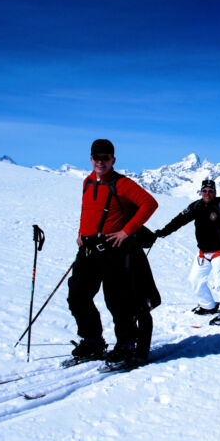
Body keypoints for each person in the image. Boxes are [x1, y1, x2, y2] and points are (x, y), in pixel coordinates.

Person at [67, 139, 159, 365]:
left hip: (113, 250)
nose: (100, 162)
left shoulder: (122, 183)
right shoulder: (87, 182)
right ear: (91, 159)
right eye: (96, 158)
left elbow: (150, 204)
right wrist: (81, 232)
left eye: (105, 158)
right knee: (77, 295)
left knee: (117, 300)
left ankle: (126, 344)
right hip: (87, 249)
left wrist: (126, 231)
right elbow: (87, 210)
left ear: (113, 160)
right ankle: (92, 340)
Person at [153, 179, 220, 327]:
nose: (207, 193)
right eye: (204, 191)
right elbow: (179, 220)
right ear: (200, 192)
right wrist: (164, 232)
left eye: (210, 191)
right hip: (203, 253)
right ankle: (208, 306)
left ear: (215, 192)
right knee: (195, 280)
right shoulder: (196, 206)